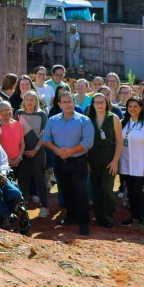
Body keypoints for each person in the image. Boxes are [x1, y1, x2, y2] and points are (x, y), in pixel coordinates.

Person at [42, 91, 94, 235]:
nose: (68, 104)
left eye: (70, 101)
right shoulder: (52, 120)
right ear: (59, 104)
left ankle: (83, 222)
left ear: (74, 103)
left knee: (81, 191)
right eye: (64, 102)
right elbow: (46, 138)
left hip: (78, 161)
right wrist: (58, 151)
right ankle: (71, 217)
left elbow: (88, 141)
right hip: (60, 161)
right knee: (66, 190)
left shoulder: (84, 120)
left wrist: (70, 151)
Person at [85, 93, 123, 228]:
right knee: (95, 188)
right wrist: (87, 161)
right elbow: (85, 141)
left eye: (102, 102)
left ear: (107, 103)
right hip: (93, 158)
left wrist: (115, 161)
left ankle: (107, 217)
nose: (99, 105)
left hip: (109, 158)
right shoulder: (89, 119)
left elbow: (119, 141)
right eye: (96, 102)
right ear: (93, 104)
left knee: (106, 188)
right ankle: (99, 217)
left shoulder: (114, 118)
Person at [119, 97, 144, 227]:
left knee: (137, 191)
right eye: (130, 106)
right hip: (125, 163)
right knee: (130, 191)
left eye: (136, 106)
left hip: (141, 164)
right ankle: (133, 217)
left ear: (141, 108)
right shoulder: (123, 123)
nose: (132, 108)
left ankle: (142, 219)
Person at [16, 92, 49, 217]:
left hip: (38, 151)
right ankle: (22, 206)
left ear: (36, 101)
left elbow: (45, 135)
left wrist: (35, 149)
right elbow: (17, 132)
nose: (29, 102)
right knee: (23, 179)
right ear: (24, 101)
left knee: (39, 178)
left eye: (32, 99)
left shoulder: (42, 114)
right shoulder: (18, 113)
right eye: (27, 99)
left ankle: (45, 206)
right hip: (22, 151)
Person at [0, 102, 24, 178]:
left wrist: (19, 158)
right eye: (4, 110)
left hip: (17, 162)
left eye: (9, 109)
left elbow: (22, 144)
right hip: (2, 162)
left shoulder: (17, 124)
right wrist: (7, 159)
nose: (7, 112)